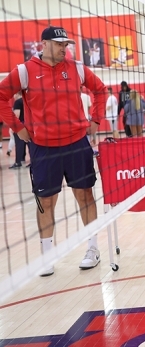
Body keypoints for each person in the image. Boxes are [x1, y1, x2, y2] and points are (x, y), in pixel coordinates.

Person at [0, 26, 107, 276]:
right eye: (59, 44)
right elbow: (1, 96)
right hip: (43, 147)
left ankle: (93, 248)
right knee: (46, 202)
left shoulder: (77, 68)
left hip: (76, 144)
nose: (63, 49)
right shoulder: (25, 71)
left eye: (66, 45)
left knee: (85, 195)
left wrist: (96, 120)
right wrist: (17, 127)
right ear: (44, 44)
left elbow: (100, 90)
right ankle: (47, 256)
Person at [9, 92, 26, 169]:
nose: (13, 96)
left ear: (17, 94)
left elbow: (16, 115)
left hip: (20, 125)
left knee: (18, 144)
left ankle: (18, 162)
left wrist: (13, 127)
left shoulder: (17, 102)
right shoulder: (25, 100)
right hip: (27, 124)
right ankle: (24, 159)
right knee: (28, 144)